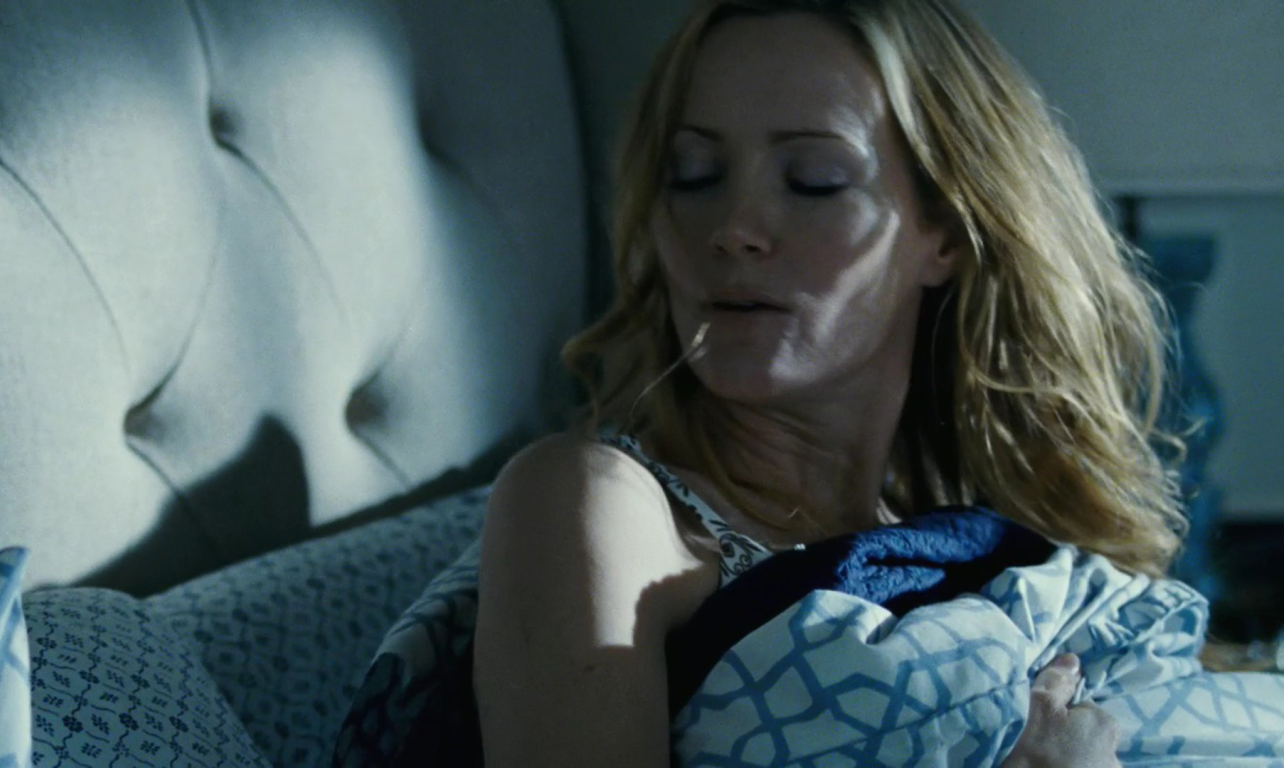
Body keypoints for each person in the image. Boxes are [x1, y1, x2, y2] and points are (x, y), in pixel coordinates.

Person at [473, 0, 1182, 765]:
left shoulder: (981, 541)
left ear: (944, 230)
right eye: (694, 175)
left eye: (814, 181)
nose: (734, 228)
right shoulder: (598, 506)